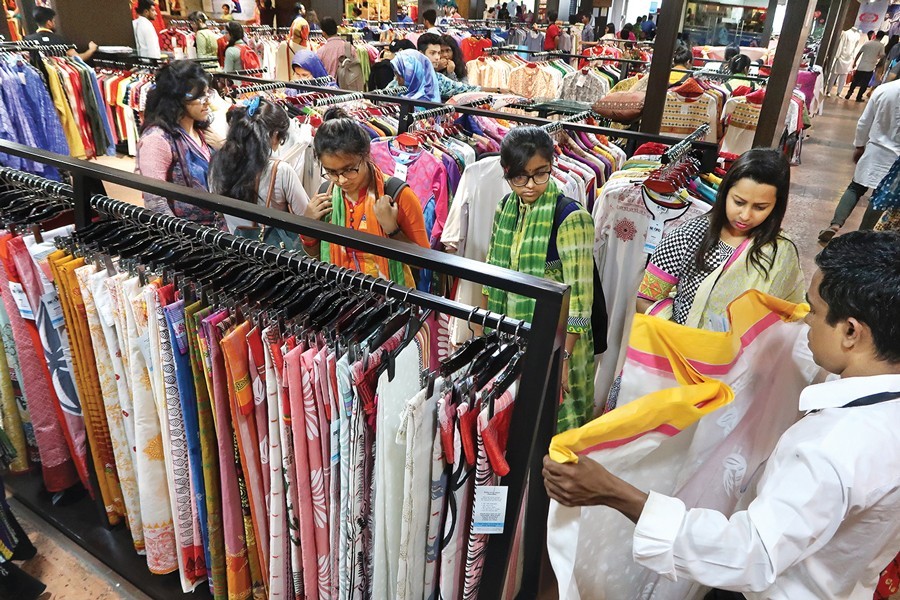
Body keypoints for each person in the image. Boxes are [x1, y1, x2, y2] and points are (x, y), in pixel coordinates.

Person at [544, 229, 900, 600]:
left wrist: (614, 492)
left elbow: (751, 555)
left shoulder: (831, 447)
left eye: (814, 311)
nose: (805, 320)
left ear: (850, 331)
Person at [483, 127, 596, 432]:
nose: (530, 185)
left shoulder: (571, 218)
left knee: (552, 428)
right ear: (507, 173)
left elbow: (581, 301)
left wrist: (564, 357)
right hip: (511, 335)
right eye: (519, 176)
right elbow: (493, 269)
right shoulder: (505, 208)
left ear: (552, 166)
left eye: (540, 174)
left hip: (557, 343)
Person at [636, 148, 805, 330]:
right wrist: (681, 337)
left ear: (776, 206)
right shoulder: (690, 235)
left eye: (760, 207)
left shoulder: (781, 250)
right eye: (739, 202)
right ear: (725, 193)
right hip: (684, 350)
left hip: (746, 357)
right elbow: (645, 299)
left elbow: (791, 313)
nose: (745, 215)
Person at [301, 108, 429, 286]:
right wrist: (308, 225)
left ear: (366, 156)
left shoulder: (396, 194)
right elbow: (316, 254)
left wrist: (393, 231)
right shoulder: (326, 194)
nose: (342, 180)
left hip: (389, 305)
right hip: (339, 300)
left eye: (349, 169)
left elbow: (424, 262)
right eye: (331, 172)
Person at [136, 61, 221, 227]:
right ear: (178, 99)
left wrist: (223, 147)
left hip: (218, 231)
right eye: (199, 97)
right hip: (189, 237)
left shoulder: (204, 131)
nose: (207, 102)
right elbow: (155, 203)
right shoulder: (157, 140)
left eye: (207, 94)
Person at [209, 98, 309, 233]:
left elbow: (219, 208)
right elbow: (304, 216)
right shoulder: (280, 170)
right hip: (270, 250)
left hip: (234, 244)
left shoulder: (218, 162)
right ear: (275, 134)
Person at [819, 78, 900, 242]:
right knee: (880, 198)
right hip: (896, 161)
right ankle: (863, 237)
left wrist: (859, 145)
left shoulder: (884, 89)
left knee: (855, 187)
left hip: (875, 150)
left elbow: (864, 122)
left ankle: (835, 224)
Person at [412, 34, 480, 98]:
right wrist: (436, 69)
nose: (445, 55)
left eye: (448, 51)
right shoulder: (428, 68)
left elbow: (463, 88)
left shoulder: (460, 66)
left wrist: (451, 73)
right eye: (441, 52)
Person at [25, 7, 97, 61]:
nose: (54, 24)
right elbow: (78, 58)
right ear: (49, 23)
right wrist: (91, 50)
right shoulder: (60, 40)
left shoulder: (27, 40)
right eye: (54, 21)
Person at [846, 31, 886, 101]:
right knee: (864, 84)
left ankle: (849, 92)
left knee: (855, 81)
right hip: (870, 67)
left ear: (876, 35)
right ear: (882, 37)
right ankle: (859, 97)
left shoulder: (868, 43)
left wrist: (855, 62)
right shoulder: (881, 45)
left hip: (861, 66)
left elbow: (859, 53)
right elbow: (882, 55)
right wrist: (877, 57)